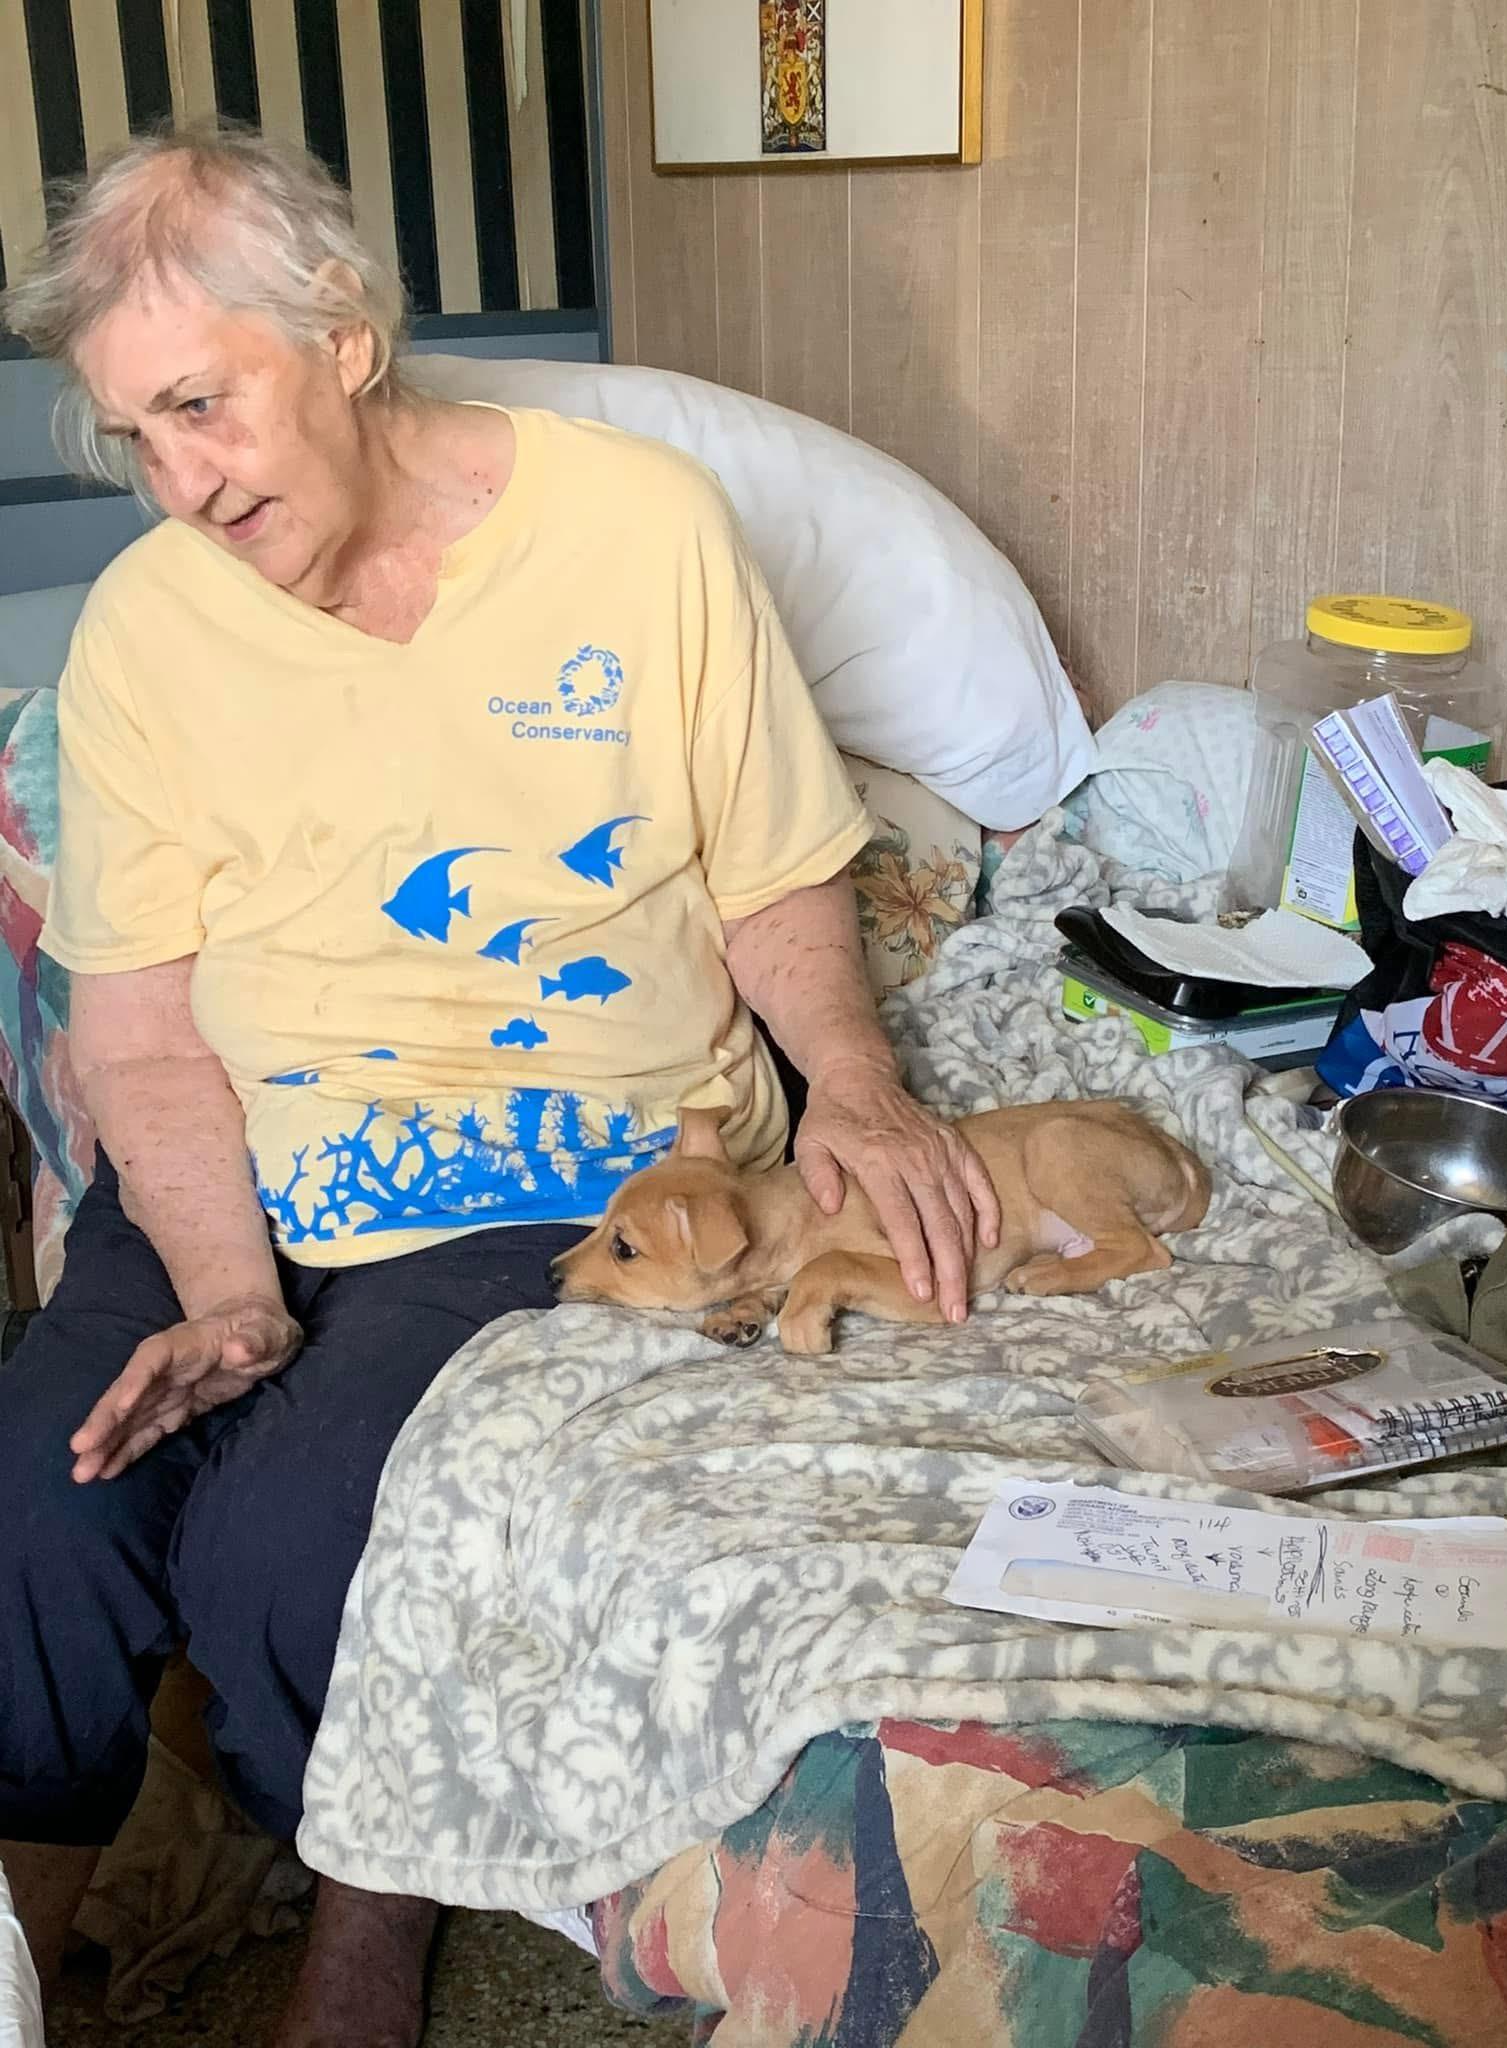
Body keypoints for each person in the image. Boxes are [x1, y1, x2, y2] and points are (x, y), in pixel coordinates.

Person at [0, 131, 998, 2048]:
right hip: (245, 1144)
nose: (180, 485)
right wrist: (226, 1287)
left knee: (289, 1547)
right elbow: (131, 1030)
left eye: (204, 407)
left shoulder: (639, 531)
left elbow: (775, 865)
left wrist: (855, 1087)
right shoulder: (143, 631)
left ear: (350, 336)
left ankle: (364, 1907)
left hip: (560, 1164)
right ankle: (22, 1953)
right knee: (38, 1509)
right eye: (138, 434)